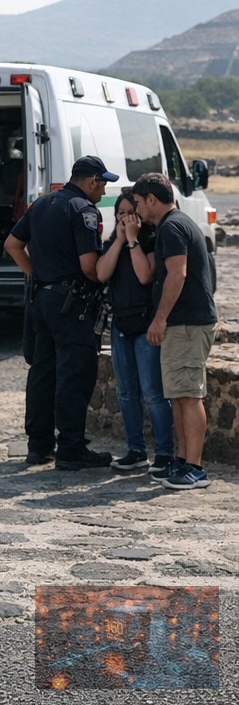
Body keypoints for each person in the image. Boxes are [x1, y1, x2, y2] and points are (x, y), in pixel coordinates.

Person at [4, 155, 117, 470]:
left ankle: (38, 446)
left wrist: (35, 274)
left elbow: (12, 244)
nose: (103, 191)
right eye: (103, 184)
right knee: (74, 375)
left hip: (42, 299)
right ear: (92, 181)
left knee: (42, 372)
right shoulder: (84, 211)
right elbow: (89, 268)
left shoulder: (42, 204)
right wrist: (105, 271)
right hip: (73, 305)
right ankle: (71, 448)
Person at [131, 171, 218, 489]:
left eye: (139, 202)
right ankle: (182, 461)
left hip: (188, 323)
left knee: (189, 395)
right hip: (184, 323)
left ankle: (194, 468)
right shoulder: (175, 224)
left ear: (152, 199)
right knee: (179, 395)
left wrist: (159, 319)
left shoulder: (171, 227)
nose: (137, 208)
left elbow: (177, 275)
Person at [96, 189, 174, 476]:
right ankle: (136, 450)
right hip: (120, 325)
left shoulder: (151, 241)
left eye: (130, 213)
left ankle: (165, 453)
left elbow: (145, 275)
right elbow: (101, 273)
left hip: (144, 324)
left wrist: (132, 240)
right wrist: (118, 240)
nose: (125, 218)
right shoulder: (113, 243)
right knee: (127, 392)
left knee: (153, 392)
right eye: (120, 214)